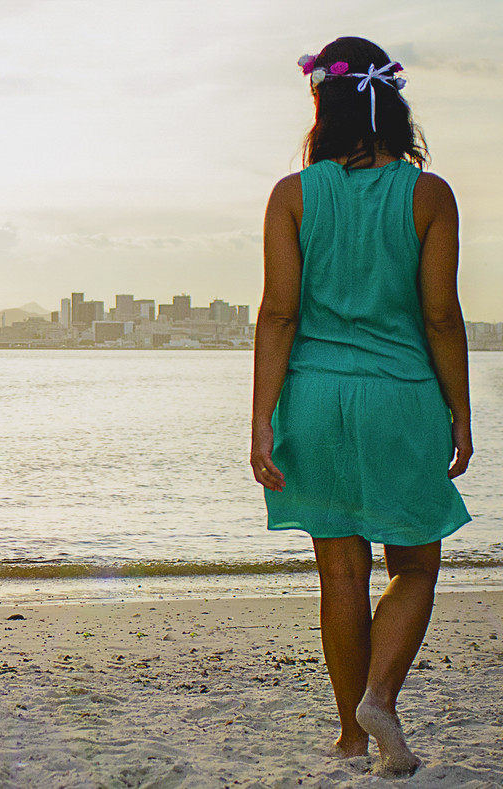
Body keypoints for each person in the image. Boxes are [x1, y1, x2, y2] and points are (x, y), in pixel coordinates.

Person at [251, 37, 472, 776]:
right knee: (414, 565)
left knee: (340, 576)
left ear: (324, 106)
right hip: (400, 398)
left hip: (312, 399)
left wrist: (261, 420)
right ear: (393, 103)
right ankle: (379, 696)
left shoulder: (293, 195)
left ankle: (350, 736)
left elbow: (277, 314)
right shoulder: (427, 194)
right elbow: (441, 316)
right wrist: (462, 414)